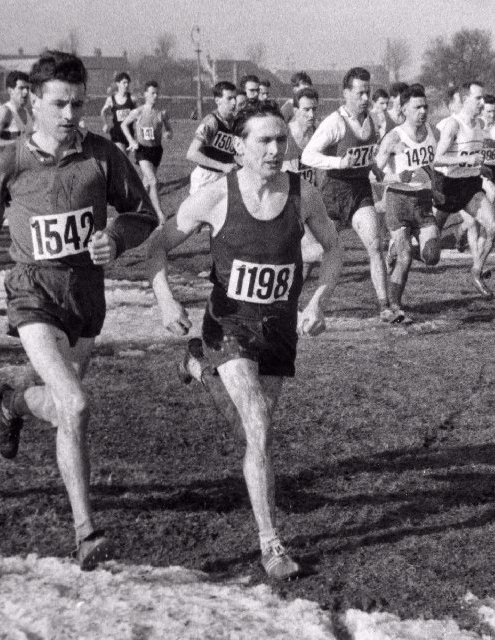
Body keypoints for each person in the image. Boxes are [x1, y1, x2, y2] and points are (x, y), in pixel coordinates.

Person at [0, 50, 157, 569]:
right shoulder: (12, 160)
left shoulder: (102, 155)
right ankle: (86, 530)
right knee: (77, 404)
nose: (70, 115)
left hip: (85, 298)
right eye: (59, 104)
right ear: (34, 104)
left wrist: (114, 235)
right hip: (32, 293)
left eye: (78, 104)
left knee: (64, 408)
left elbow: (142, 214)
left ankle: (12, 403)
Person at [147, 102, 342, 580]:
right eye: (265, 141)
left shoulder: (304, 194)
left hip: (277, 329)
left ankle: (196, 362)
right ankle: (270, 544)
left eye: (281, 140)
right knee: (256, 421)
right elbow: (157, 243)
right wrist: (166, 300)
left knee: (257, 431)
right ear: (238, 147)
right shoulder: (215, 196)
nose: (277, 149)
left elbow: (335, 248)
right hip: (229, 323)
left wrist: (318, 302)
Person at [302, 67, 396, 321]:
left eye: (368, 92)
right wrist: (338, 163)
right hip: (333, 194)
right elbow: (308, 155)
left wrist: (376, 169)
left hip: (360, 191)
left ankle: (384, 306)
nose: (365, 98)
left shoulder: (374, 120)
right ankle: (287, 301)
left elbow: (368, 152)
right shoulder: (334, 122)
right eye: (360, 93)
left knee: (375, 245)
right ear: (346, 94)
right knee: (316, 254)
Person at [374, 84, 441, 322]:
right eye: (417, 107)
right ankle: (395, 308)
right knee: (404, 259)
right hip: (398, 201)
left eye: (425, 106)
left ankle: (397, 248)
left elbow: (438, 160)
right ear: (404, 109)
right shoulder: (394, 137)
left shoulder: (434, 132)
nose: (423, 111)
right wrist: (395, 177)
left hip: (422, 202)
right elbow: (374, 174)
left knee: (432, 256)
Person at [432, 81, 495, 297]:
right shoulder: (453, 125)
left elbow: (474, 157)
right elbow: (437, 160)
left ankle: (476, 271)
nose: (482, 102)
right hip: (447, 188)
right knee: (430, 251)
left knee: (493, 226)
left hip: (470, 187)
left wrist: (482, 168)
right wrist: (468, 160)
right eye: (477, 98)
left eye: (483, 98)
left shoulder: (479, 125)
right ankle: (398, 250)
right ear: (465, 99)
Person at [282, 87, 324, 277]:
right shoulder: (282, 135)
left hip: (306, 204)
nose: (311, 114)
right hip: (282, 204)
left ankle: (292, 300)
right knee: (314, 252)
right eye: (306, 110)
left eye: (314, 109)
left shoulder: (319, 134)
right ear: (296, 110)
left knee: (311, 256)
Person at [121, 80, 173, 224]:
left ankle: (138, 209)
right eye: (152, 93)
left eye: (157, 93)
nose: (155, 96)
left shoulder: (161, 113)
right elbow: (124, 125)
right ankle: (160, 215)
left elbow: (169, 130)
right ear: (145, 94)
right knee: (153, 181)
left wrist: (167, 134)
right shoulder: (138, 112)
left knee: (146, 184)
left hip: (156, 151)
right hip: (142, 150)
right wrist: (131, 141)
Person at [186, 81, 237, 194]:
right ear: (218, 101)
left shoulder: (235, 123)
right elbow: (191, 153)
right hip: (206, 177)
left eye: (235, 98)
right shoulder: (211, 122)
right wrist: (222, 166)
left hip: (223, 178)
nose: (234, 102)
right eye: (229, 98)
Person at [0, 71, 32, 150]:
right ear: (10, 91)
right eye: (21, 88)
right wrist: (16, 144)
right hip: (8, 160)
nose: (26, 92)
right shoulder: (6, 111)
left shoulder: (27, 111)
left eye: (27, 88)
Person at [99, 72, 136, 155]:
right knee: (121, 156)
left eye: (128, 83)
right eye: (124, 83)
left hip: (129, 134)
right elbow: (103, 112)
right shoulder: (111, 99)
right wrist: (105, 124)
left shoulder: (133, 99)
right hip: (117, 134)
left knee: (124, 159)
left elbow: (140, 113)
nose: (126, 85)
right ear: (118, 84)